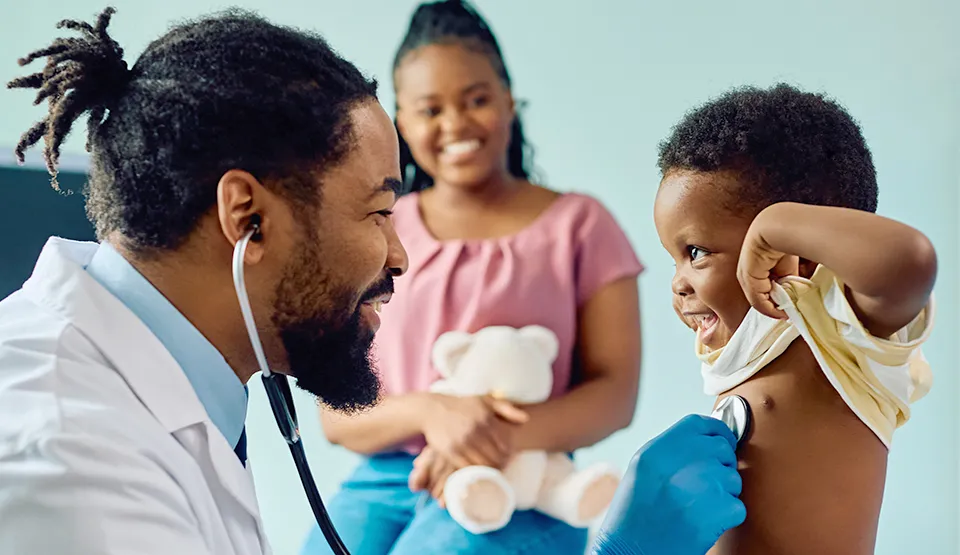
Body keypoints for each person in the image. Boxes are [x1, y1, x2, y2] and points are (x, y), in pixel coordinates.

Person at [0, 7, 744, 555]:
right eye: (378, 212)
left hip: (521, 481)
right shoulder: (74, 463)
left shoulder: (177, 392)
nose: (402, 255)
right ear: (246, 216)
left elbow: (612, 389)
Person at [305, 2, 643, 553]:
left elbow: (615, 396)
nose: (456, 124)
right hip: (387, 480)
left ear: (509, 99)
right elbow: (337, 419)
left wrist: (489, 439)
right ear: (401, 124)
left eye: (477, 100)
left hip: (525, 482)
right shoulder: (379, 230)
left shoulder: (581, 226)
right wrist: (434, 414)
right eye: (430, 109)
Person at [653, 83, 937, 554]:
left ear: (796, 255)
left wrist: (776, 222)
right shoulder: (742, 349)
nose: (678, 284)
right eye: (675, 259)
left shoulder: (836, 330)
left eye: (696, 253)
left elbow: (911, 261)